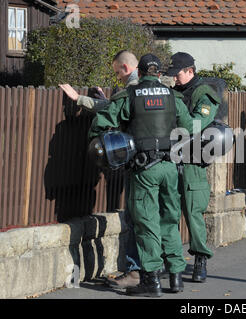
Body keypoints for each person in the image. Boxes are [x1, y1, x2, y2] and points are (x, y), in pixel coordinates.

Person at [88, 53, 195, 297]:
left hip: (144, 168)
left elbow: (102, 123)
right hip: (170, 167)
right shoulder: (173, 96)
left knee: (146, 222)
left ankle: (150, 280)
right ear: (158, 73)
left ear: (142, 71)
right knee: (169, 220)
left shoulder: (130, 96)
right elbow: (189, 127)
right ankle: (176, 276)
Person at [60, 50, 142, 289]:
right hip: (159, 162)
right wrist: (104, 100)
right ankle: (161, 272)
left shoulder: (132, 88)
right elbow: (117, 107)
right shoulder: (153, 88)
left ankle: (136, 273)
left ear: (126, 68)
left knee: (136, 218)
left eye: (117, 72)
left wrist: (78, 98)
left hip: (137, 161)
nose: (117, 77)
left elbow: (111, 111)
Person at [165, 52, 220, 282]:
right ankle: (171, 259)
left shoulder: (203, 94)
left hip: (191, 160)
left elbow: (198, 123)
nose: (174, 79)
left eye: (177, 75)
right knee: (168, 212)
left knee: (193, 211)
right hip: (169, 157)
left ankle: (200, 258)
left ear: (190, 71)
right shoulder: (174, 93)